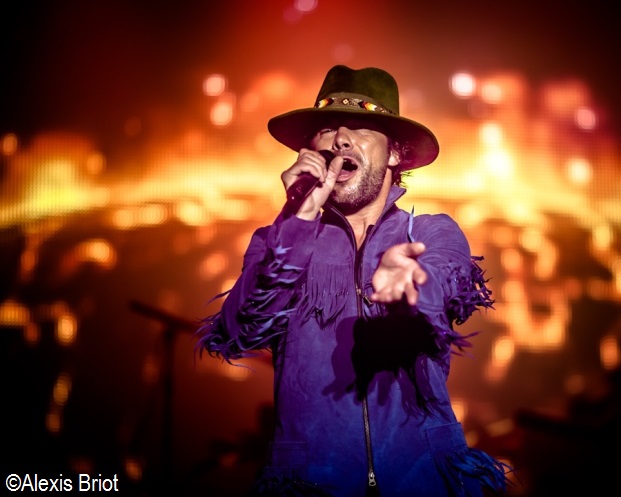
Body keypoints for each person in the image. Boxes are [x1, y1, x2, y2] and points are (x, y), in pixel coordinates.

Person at [196, 65, 511, 496]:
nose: (340, 139)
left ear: (395, 153)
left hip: (421, 480)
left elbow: (446, 282)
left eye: (360, 127)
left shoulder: (429, 232)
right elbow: (242, 330)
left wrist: (413, 286)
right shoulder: (276, 240)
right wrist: (297, 219)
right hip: (310, 485)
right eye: (327, 129)